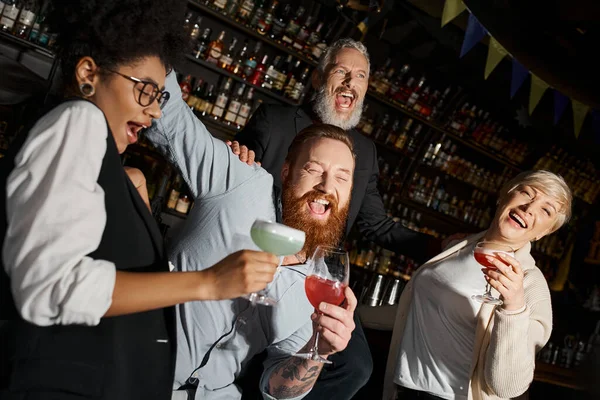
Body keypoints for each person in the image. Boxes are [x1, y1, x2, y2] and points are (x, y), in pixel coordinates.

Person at [0, 1, 279, 398]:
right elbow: (50, 287)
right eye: (146, 91)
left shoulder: (105, 162)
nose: (153, 112)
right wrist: (207, 283)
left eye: (160, 98)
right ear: (88, 73)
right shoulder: (77, 120)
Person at [232, 38, 441, 398]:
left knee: (355, 366)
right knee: (247, 347)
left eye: (359, 76)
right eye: (341, 71)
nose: (350, 82)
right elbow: (230, 179)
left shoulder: (364, 151)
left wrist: (442, 246)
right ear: (318, 79)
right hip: (263, 253)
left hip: (318, 268)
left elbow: (377, 225)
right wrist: (235, 155)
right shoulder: (276, 120)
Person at [145, 72, 357, 399]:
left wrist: (320, 351)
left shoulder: (321, 287)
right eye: (315, 169)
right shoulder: (239, 180)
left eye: (341, 179)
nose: (327, 187)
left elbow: (277, 388)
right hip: (138, 371)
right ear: (286, 171)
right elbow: (170, 116)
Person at [375, 170, 572, 400]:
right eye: (526, 193)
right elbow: (416, 310)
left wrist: (514, 308)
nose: (529, 208)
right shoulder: (459, 246)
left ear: (545, 232)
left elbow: (508, 386)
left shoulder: (530, 283)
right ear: (504, 196)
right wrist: (355, 315)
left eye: (546, 210)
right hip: (404, 390)